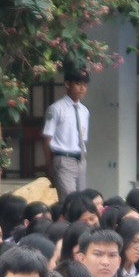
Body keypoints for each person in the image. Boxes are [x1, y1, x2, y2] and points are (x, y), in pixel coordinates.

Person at [44, 69, 91, 197]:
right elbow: (47, 138)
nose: (82, 88)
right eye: (78, 84)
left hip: (80, 159)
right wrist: (50, 167)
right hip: (64, 159)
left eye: (85, 85)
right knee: (69, 200)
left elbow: (82, 138)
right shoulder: (56, 109)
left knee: (81, 199)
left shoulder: (84, 111)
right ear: (67, 84)